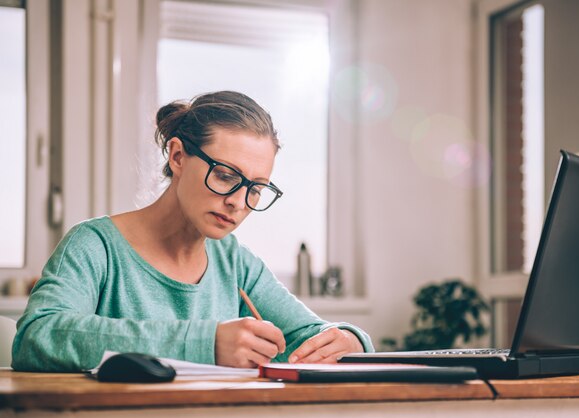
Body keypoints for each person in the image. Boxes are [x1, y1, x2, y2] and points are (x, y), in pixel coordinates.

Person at [12, 91, 373, 372]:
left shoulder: (236, 263)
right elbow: (37, 337)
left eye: (256, 188)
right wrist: (205, 343)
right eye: (226, 176)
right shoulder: (95, 246)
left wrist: (352, 342)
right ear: (178, 156)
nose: (239, 202)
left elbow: (311, 336)